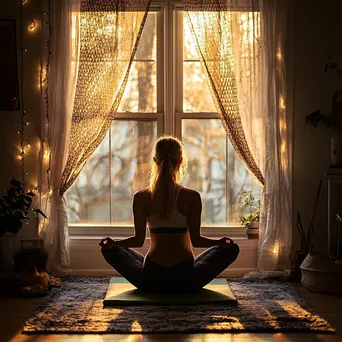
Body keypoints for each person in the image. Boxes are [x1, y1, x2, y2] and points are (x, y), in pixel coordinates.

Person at [100, 136, 239, 292]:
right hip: (186, 278)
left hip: (151, 278)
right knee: (232, 248)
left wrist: (114, 244)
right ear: (180, 161)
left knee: (110, 248)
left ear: (154, 160)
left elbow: (138, 241)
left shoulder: (140, 197)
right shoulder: (192, 196)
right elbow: (197, 241)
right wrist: (220, 242)